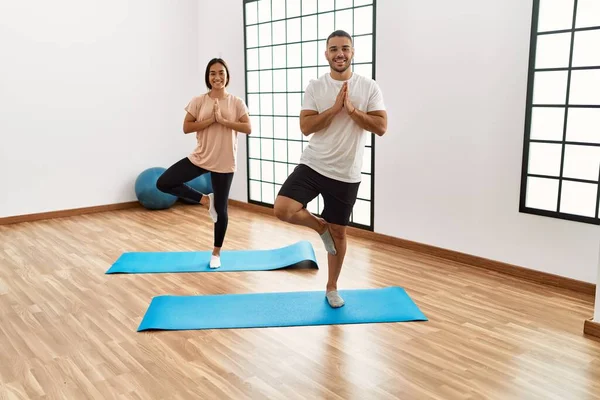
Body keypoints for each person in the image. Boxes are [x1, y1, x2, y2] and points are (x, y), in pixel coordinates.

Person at [274, 30, 387, 308]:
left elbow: (381, 127)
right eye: (334, 49)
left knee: (340, 232)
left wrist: (353, 111)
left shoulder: (368, 87)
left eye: (345, 48)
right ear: (326, 54)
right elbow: (306, 127)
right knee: (283, 209)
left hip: (346, 172)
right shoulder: (316, 86)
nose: (340, 53)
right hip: (314, 163)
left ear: (352, 52)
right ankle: (318, 227)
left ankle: (332, 287)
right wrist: (335, 109)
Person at [157, 58, 251, 269]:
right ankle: (204, 200)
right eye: (212, 73)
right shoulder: (199, 101)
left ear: (227, 75)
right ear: (208, 78)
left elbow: (247, 128)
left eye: (221, 72)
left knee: (222, 210)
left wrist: (224, 121)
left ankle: (216, 253)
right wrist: (211, 120)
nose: (217, 77)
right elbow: (187, 127)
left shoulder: (236, 102)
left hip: (225, 160)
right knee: (164, 182)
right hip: (201, 156)